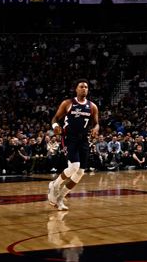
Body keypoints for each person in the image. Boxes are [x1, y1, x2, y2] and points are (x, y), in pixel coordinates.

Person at [47, 79, 99, 211]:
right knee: (74, 167)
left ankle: (60, 198)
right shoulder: (68, 103)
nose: (84, 89)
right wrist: (55, 126)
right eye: (81, 87)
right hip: (69, 137)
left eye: (86, 87)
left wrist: (96, 128)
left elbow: (96, 123)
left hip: (84, 140)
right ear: (76, 89)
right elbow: (54, 118)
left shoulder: (92, 106)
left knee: (80, 172)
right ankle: (54, 184)